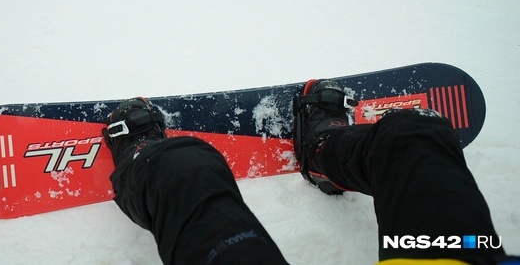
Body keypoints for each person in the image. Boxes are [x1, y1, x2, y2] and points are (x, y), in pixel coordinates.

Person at [102, 85, 518, 265]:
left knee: (186, 167)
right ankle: (323, 154)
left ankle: (145, 164)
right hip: (460, 254)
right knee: (417, 132)